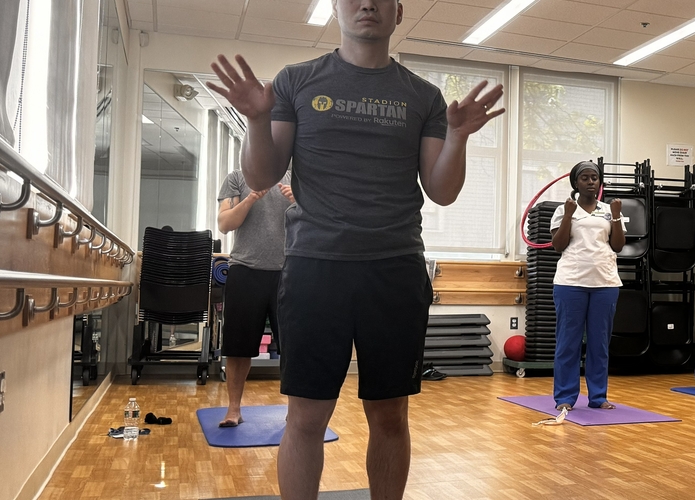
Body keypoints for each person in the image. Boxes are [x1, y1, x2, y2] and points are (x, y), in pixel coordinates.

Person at [204, 0, 505, 497]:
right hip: (314, 268)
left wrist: (456, 137)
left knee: (390, 415)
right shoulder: (297, 80)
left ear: (398, 13)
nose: (367, 4)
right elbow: (260, 176)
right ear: (336, 8)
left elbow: (443, 190)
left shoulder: (423, 96)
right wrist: (257, 120)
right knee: (306, 415)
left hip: (394, 270)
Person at [213, 169, 292, 427]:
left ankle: (296, 410)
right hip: (245, 270)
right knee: (238, 348)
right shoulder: (237, 179)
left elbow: (322, 222)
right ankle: (233, 409)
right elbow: (225, 224)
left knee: (295, 347)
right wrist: (249, 199)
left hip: (289, 271)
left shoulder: (298, 178)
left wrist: (299, 203)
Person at [550, 161, 626, 412]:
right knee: (568, 342)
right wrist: (570, 215)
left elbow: (618, 245)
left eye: (595, 177)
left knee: (599, 343)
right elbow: (558, 245)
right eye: (585, 178)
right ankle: (564, 397)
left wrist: (616, 215)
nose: (591, 181)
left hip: (605, 282)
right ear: (575, 183)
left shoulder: (609, 209)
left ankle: (598, 396)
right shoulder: (564, 209)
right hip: (570, 282)